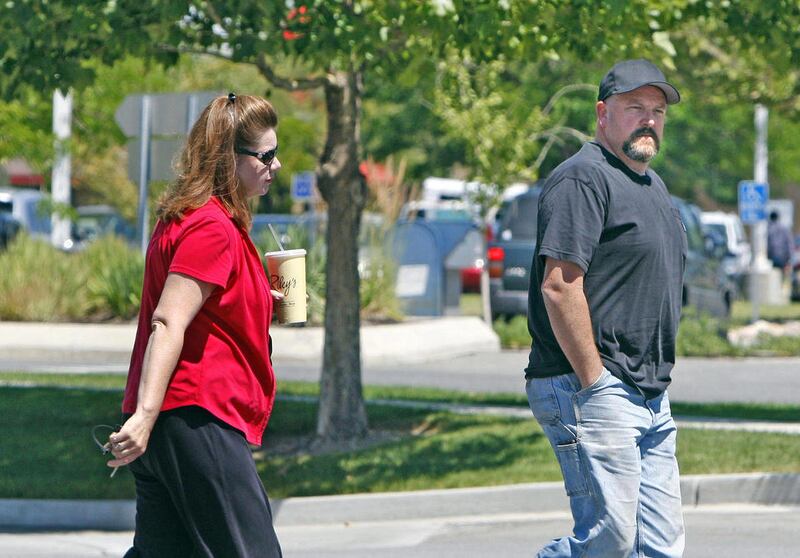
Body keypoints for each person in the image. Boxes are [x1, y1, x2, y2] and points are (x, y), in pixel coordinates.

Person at [106, 93, 284, 557]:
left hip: (170, 427)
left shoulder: (183, 218)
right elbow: (167, 321)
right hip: (197, 420)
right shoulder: (212, 228)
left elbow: (208, 307)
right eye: (264, 155)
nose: (276, 165)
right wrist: (144, 417)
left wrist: (264, 298)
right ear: (229, 159)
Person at [525, 59, 686, 557]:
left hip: (650, 394)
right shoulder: (583, 179)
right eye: (634, 107)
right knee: (610, 541)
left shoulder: (651, 186)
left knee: (660, 547)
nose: (649, 120)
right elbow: (559, 286)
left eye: (657, 110)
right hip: (590, 385)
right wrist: (595, 382)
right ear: (602, 113)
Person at [767, 210, 793, 279]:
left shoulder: (767, 228)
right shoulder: (784, 228)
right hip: (783, 258)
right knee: (783, 277)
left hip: (770, 258)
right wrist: (789, 259)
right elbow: (789, 244)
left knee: (772, 277)